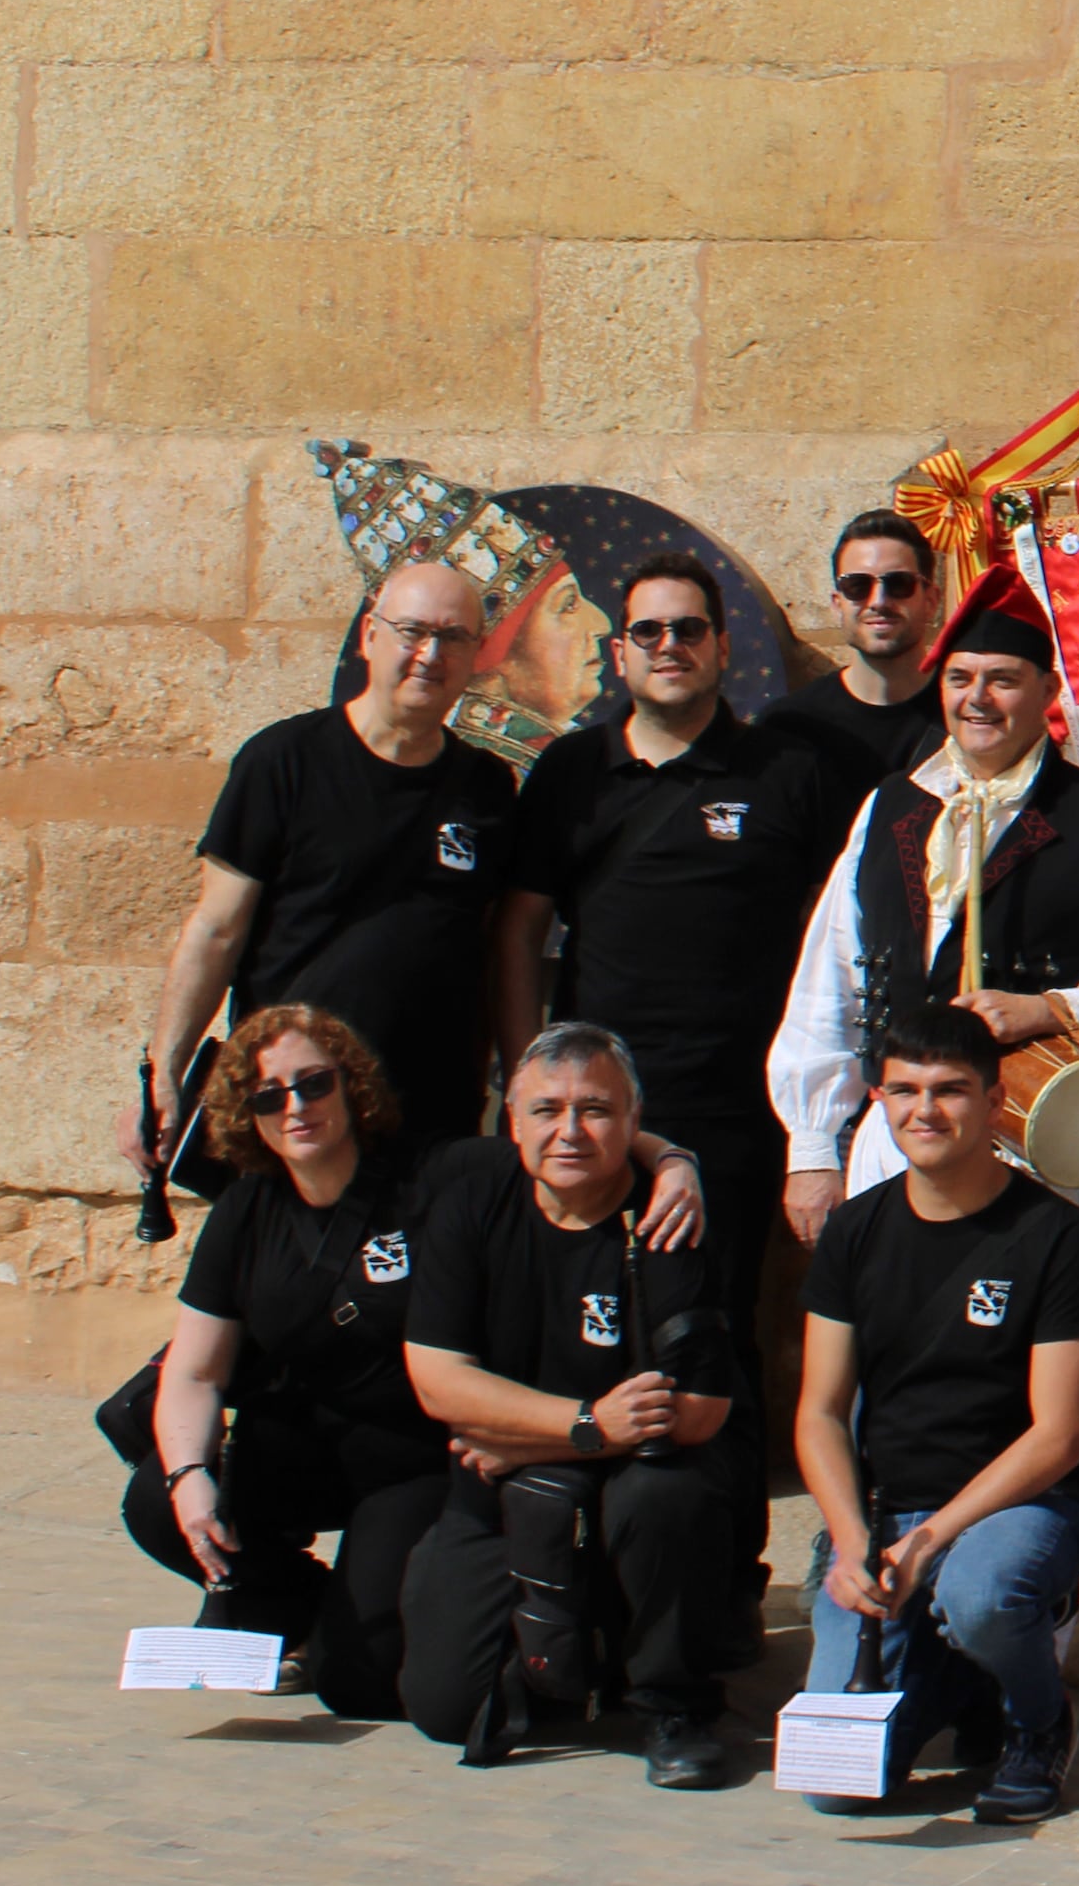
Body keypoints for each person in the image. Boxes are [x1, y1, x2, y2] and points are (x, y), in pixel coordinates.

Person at [493, 548, 849, 1586]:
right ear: (619, 651)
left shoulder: (784, 772)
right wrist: (526, 1084)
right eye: (648, 632)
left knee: (717, 1337)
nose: (669, 647)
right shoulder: (571, 773)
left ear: (723, 647)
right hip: (588, 1122)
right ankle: (585, 1569)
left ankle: (721, 1572)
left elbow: (836, 934)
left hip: (733, 1114)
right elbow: (519, 931)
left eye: (688, 629)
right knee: (585, 1328)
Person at [768, 570, 1079, 1220]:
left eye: (1002, 678)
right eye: (960, 678)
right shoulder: (890, 807)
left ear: (1048, 689)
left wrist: (1050, 1008)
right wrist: (813, 1148)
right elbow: (829, 984)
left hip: (1038, 1147)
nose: (978, 699)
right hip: (898, 1142)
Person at [397, 1027, 749, 1782]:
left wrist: (527, 1436)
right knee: (441, 1705)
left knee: (664, 1490)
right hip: (502, 1485)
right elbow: (437, 1381)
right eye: (546, 1110)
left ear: (631, 1119)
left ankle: (673, 1704)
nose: (569, 1130)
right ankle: (565, 1659)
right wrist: (584, 1425)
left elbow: (695, 1410)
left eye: (595, 1109)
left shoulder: (667, 1221)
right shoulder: (471, 1194)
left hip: (629, 1486)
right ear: (511, 1120)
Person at [790, 1005, 1079, 1823]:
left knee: (981, 1591)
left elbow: (1058, 1435)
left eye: (949, 1090)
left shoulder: (1054, 1234)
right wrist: (855, 1543)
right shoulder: (855, 1230)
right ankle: (967, 1675)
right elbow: (820, 1413)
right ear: (877, 1098)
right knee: (837, 1788)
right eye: (903, 1090)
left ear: (995, 1101)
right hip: (886, 1513)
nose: (923, 1111)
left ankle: (1037, 1721)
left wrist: (929, 1541)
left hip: (1016, 1509)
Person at [138, 557, 518, 1197]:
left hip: (432, 1117)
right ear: (370, 634)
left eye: (453, 638)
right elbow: (216, 930)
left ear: (478, 654)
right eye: (412, 631)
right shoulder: (282, 761)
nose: (430, 654)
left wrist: (521, 1078)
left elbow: (501, 946)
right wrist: (165, 1073)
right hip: (298, 1113)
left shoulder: (488, 788)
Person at [122, 1005, 452, 1720]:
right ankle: (306, 1608)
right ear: (250, 1112)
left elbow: (556, 1155)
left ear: (351, 1084)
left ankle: (354, 1619)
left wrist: (667, 1158)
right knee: (157, 1500)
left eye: (314, 1084)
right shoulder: (246, 1210)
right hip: (301, 1447)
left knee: (360, 1684)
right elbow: (194, 1370)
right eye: (270, 1094)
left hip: (408, 1459)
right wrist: (190, 1475)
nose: (295, 1106)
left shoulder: (428, 1180)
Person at [771, 509, 948, 806]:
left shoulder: (968, 717)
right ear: (837, 604)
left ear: (931, 601)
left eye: (899, 584)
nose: (878, 601)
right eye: (858, 586)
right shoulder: (788, 729)